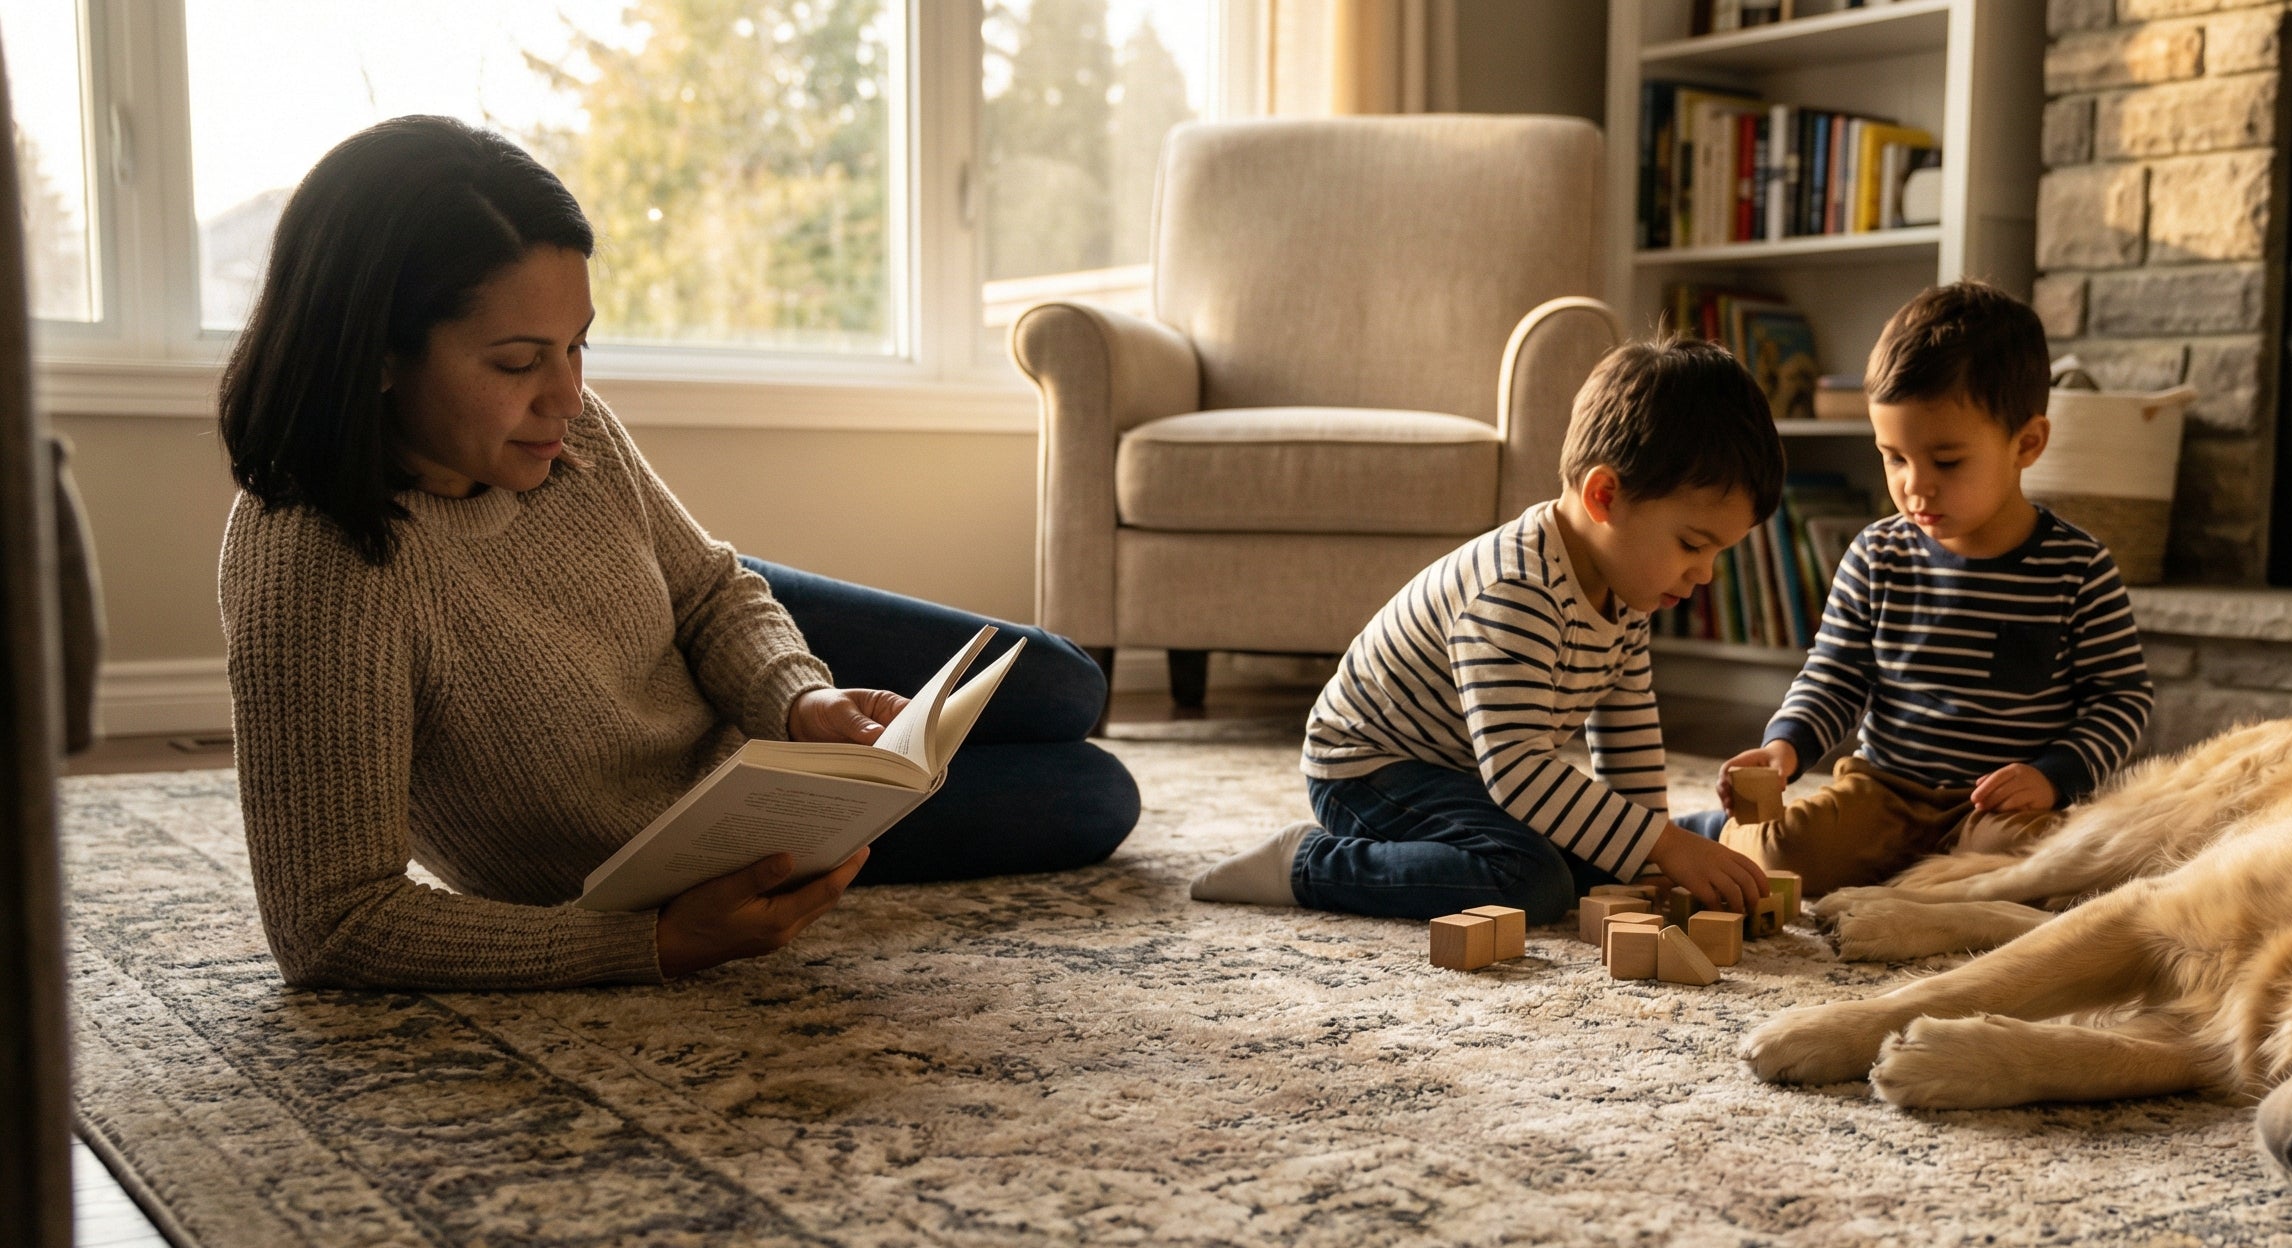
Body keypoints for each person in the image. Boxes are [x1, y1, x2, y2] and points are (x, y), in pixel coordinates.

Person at [217, 116, 1139, 991]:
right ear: (374, 353)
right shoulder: (317, 566)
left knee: (1062, 682)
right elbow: (330, 922)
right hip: (686, 835)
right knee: (1094, 796)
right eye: (516, 362)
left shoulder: (568, 436)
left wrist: (798, 697)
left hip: (705, 660)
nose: (570, 398)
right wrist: (646, 943)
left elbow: (705, 593)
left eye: (578, 346)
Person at [1190, 337, 1779, 924]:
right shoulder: (1516, 589)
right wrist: (1666, 845)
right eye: (1692, 545)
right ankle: (1308, 863)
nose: (1703, 573)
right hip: (1367, 769)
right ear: (1605, 496)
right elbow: (1519, 769)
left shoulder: (1628, 589)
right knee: (1531, 881)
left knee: (1609, 852)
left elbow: (1626, 729)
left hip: (1470, 771)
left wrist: (1650, 860)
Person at [1677, 281, 2154, 895]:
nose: (1915, 487)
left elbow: (2122, 697)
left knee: (2041, 869)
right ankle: (1720, 830)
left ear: (2027, 444)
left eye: (1947, 461)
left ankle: (1928, 884)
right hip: (1886, 792)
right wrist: (1785, 747)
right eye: (1893, 457)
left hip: (1998, 810)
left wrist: (2055, 775)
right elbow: (1834, 674)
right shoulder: (1878, 555)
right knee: (1777, 859)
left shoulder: (2078, 567)